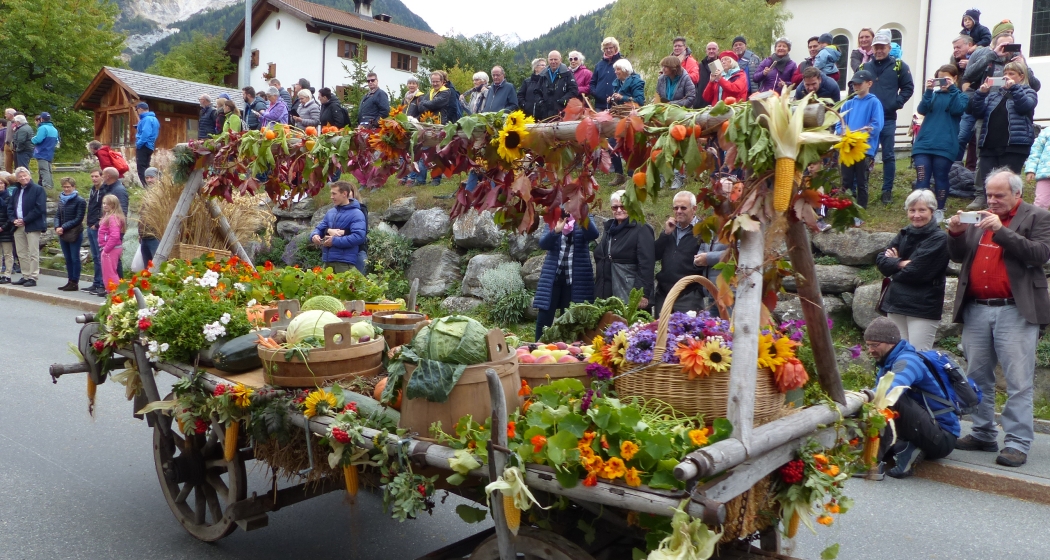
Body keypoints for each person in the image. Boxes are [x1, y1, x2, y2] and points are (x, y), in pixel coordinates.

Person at [946, 169, 1050, 467]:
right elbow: (957, 255)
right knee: (977, 377)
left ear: (1017, 194)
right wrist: (955, 232)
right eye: (989, 194)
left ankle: (1017, 443)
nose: (991, 200)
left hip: (1015, 309)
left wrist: (1001, 231)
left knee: (1018, 380)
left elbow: (1040, 254)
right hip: (977, 307)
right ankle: (983, 432)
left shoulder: (1037, 217)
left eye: (999, 195)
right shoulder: (980, 218)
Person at [862, 317, 960, 478]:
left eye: (875, 345)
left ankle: (871, 466)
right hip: (924, 429)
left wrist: (864, 397)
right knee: (878, 404)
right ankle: (906, 448)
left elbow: (893, 388)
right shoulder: (887, 362)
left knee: (890, 398)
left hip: (943, 437)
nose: (870, 350)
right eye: (868, 345)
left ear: (890, 342)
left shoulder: (908, 361)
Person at [875, 189, 949, 351]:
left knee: (918, 358)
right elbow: (881, 261)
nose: (916, 215)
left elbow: (917, 272)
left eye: (922, 210)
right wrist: (901, 263)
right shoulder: (905, 232)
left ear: (932, 212)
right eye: (912, 210)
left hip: (922, 307)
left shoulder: (939, 238)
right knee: (896, 355)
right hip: (896, 303)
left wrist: (894, 263)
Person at [967, 61, 1038, 207]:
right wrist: (981, 94)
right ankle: (992, 217)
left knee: (1010, 185)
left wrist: (1015, 88)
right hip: (989, 146)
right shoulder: (994, 96)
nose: (1006, 77)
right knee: (990, 183)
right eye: (1005, 74)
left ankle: (1014, 217)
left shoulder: (1028, 91)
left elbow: (1024, 106)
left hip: (1014, 145)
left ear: (1021, 76)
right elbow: (977, 112)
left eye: (1011, 74)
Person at [862, 30, 915, 205]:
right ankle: (861, 189)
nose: (879, 50)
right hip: (867, 120)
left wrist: (896, 103)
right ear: (872, 48)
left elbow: (908, 87)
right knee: (865, 155)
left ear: (888, 47)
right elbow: (853, 86)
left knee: (888, 155)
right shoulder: (865, 67)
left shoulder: (899, 65)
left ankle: (887, 191)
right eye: (876, 47)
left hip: (888, 117)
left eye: (882, 47)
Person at [912, 64, 968, 219]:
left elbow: (957, 109)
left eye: (947, 79)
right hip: (924, 143)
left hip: (945, 144)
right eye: (940, 79)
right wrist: (929, 90)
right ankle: (920, 210)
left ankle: (939, 210)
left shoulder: (961, 96)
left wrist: (952, 89)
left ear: (955, 78)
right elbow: (922, 109)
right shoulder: (933, 95)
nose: (943, 82)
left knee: (940, 176)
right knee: (922, 178)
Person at [532, 211, 600, 339]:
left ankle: (566, 352)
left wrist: (581, 217)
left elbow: (593, 234)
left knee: (569, 319)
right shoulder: (555, 216)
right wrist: (556, 231)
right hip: (553, 277)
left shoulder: (585, 215)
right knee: (544, 318)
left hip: (575, 280)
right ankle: (537, 350)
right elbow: (543, 244)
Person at [594, 189, 654, 309]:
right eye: (615, 207)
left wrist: (642, 293)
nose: (619, 210)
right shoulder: (609, 229)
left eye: (623, 206)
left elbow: (647, 263)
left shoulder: (641, 228)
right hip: (607, 294)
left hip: (630, 295)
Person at [836, 70, 884, 210]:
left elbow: (876, 126)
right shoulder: (847, 104)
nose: (856, 87)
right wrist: (843, 133)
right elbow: (840, 124)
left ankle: (860, 210)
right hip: (847, 149)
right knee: (846, 181)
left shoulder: (874, 102)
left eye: (859, 84)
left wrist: (857, 135)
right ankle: (846, 210)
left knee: (862, 181)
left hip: (863, 149)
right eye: (854, 84)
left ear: (869, 84)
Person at [654, 191, 708, 315]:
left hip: (688, 296)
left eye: (683, 208)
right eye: (675, 208)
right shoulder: (670, 229)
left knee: (688, 333)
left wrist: (699, 291)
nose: (678, 211)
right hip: (663, 295)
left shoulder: (702, 231)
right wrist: (665, 234)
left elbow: (707, 261)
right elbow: (655, 255)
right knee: (659, 332)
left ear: (694, 209)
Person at [656, 56, 694, 190]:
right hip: (664, 117)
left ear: (673, 68)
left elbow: (690, 97)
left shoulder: (685, 78)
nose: (663, 69)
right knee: (662, 146)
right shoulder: (661, 79)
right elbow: (658, 97)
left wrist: (672, 104)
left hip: (680, 116)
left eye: (666, 67)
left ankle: (678, 177)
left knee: (678, 147)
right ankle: (662, 175)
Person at [311, 181, 366, 273]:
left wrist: (334, 241)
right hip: (327, 262)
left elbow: (359, 237)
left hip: (344, 264)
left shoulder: (357, 213)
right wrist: (314, 236)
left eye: (334, 194)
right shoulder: (331, 212)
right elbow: (319, 228)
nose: (331, 197)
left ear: (344, 194)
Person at [593, 37, 625, 185]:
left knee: (614, 139)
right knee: (602, 139)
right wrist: (596, 92)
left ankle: (621, 172)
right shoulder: (599, 65)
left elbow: (628, 80)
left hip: (616, 106)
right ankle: (612, 169)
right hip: (600, 105)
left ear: (616, 47)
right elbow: (592, 83)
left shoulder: (622, 63)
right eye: (606, 48)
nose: (608, 50)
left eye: (611, 47)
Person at [7, 167, 46, 287]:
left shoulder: (38, 189)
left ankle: (33, 277)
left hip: (32, 225)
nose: (23, 178)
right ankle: (25, 275)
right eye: (20, 177)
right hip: (17, 226)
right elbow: (10, 207)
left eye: (25, 176)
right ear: (17, 179)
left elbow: (39, 208)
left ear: (29, 176)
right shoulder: (16, 191)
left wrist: (25, 220)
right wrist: (14, 220)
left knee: (33, 252)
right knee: (21, 252)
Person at [54, 177, 86, 291]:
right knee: (67, 258)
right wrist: (57, 227)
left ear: (73, 187)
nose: (66, 189)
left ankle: (75, 281)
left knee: (74, 257)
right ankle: (69, 280)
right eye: (64, 187)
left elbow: (78, 218)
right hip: (62, 232)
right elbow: (57, 215)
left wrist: (63, 227)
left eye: (68, 187)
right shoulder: (61, 199)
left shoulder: (80, 200)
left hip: (74, 232)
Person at [82, 169, 106, 295]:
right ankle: (96, 282)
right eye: (92, 176)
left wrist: (97, 224)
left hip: (97, 227)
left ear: (101, 177)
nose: (94, 179)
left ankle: (102, 283)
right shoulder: (93, 189)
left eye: (96, 176)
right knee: (95, 257)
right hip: (90, 225)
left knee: (101, 256)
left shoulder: (104, 190)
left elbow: (104, 210)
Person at [98, 193, 125, 292]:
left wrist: (106, 249)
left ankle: (114, 294)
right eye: (104, 203)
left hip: (111, 248)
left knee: (109, 273)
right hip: (111, 247)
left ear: (114, 205)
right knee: (110, 272)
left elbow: (115, 235)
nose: (105, 205)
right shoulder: (109, 216)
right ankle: (112, 293)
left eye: (108, 204)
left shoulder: (112, 218)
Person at [541, 51, 579, 120]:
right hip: (545, 113)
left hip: (562, 111)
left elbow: (574, 90)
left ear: (560, 60)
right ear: (548, 60)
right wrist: (540, 101)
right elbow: (537, 90)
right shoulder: (542, 74)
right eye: (551, 59)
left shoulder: (567, 73)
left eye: (555, 59)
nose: (553, 62)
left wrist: (563, 100)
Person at [139, 167, 162, 266]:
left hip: (155, 236)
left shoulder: (162, 194)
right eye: (147, 178)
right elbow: (142, 215)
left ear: (158, 177)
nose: (149, 180)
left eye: (151, 177)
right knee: (147, 268)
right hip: (144, 236)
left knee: (157, 266)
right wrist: (140, 233)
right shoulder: (147, 193)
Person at [1024, 125, 1050, 209]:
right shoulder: (1046, 131)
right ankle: (1037, 221)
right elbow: (1036, 151)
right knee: (1041, 203)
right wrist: (1031, 170)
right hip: (1045, 174)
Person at [135, 102, 159, 187]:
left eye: (137, 110)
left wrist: (139, 144)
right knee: (147, 167)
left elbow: (146, 133)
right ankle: (153, 186)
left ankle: (147, 188)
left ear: (140, 109)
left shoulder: (146, 119)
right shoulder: (154, 119)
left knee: (141, 168)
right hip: (150, 145)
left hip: (144, 145)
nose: (137, 112)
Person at [31, 113, 58, 188]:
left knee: (43, 170)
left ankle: (47, 187)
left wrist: (32, 139)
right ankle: (48, 186)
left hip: (42, 152)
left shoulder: (42, 128)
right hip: (50, 152)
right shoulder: (54, 129)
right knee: (48, 170)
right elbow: (57, 141)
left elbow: (38, 140)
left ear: (41, 119)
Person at [694, 42, 719, 108]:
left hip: (715, 101)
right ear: (706, 51)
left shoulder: (721, 65)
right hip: (701, 101)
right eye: (709, 49)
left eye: (713, 49)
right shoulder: (700, 66)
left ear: (718, 50)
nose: (711, 51)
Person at [0, 174, 13, 283]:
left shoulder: (9, 198)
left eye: (1, 183)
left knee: (8, 253)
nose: (0, 185)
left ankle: (7, 275)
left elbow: (11, 215)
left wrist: (2, 227)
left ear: (5, 185)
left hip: (6, 230)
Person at [3, 108, 14, 173]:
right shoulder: (8, 122)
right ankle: (8, 177)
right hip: (7, 144)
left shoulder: (16, 122)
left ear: (10, 114)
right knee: (7, 164)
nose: (5, 115)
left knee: (16, 162)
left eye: (6, 114)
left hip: (13, 144)